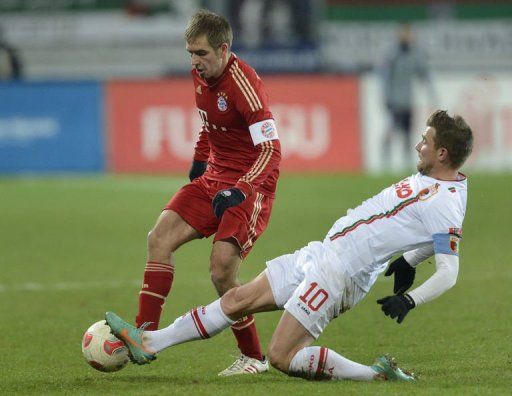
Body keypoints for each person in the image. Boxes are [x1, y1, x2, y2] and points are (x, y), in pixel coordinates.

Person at [108, 110, 472, 381]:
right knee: (236, 301)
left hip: (341, 273)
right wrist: (410, 259)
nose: (418, 145)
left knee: (281, 356)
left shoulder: (446, 201)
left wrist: (411, 299)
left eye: (425, 141)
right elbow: (430, 235)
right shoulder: (436, 182)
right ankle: (150, 342)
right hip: (323, 253)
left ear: (442, 154)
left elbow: (449, 272)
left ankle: (374, 375)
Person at [134, 9, 281, 376]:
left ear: (224, 48)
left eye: (201, 53)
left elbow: (270, 150)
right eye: (190, 54)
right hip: (213, 178)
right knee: (159, 237)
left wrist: (242, 189)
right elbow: (209, 124)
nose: (195, 62)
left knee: (221, 273)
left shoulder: (244, 85)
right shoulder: (200, 76)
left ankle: (253, 358)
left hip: (249, 187)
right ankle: (142, 337)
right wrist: (200, 161)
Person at [380, 23, 437, 170]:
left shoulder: (414, 54)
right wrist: (386, 97)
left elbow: (423, 74)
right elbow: (385, 77)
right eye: (404, 33)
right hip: (394, 101)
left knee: (407, 133)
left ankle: (406, 163)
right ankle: (384, 162)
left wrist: (431, 94)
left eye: (409, 34)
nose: (407, 37)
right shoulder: (393, 54)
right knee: (391, 130)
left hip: (407, 101)